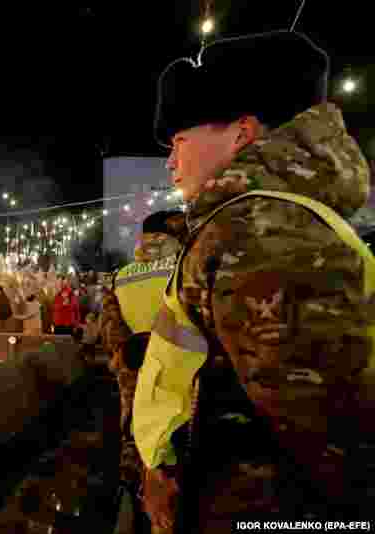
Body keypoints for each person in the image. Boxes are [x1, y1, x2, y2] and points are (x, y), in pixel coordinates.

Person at [134, 31, 373, 532]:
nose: (170, 161)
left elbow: (338, 445)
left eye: (180, 139)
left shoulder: (263, 232)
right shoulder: (249, 222)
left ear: (241, 133)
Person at [100, 210, 185, 534]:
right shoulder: (186, 269)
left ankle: (131, 506)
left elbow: (111, 335)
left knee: (135, 448)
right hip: (181, 383)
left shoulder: (121, 276)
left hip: (134, 382)